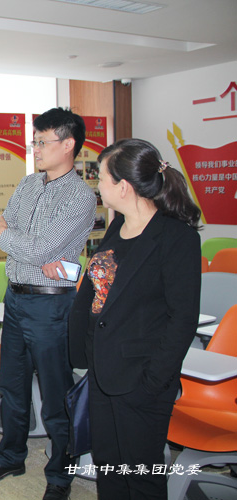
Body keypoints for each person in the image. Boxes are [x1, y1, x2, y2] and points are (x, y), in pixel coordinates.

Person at [68, 138, 201, 500]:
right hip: (103, 370)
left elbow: (182, 318)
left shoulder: (176, 238)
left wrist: (153, 381)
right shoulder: (117, 227)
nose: (97, 185)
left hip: (141, 378)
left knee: (141, 474)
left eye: (101, 178)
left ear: (123, 186)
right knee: (109, 465)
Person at [0, 108, 96, 500]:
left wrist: (12, 239)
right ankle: (11, 456)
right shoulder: (28, 183)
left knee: (57, 395)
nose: (36, 149)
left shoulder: (80, 196)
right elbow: (1, 228)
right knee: (12, 386)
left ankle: (60, 475)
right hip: (16, 298)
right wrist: (19, 242)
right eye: (35, 141)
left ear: (68, 144)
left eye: (42, 142)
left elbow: (36, 247)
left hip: (52, 307)